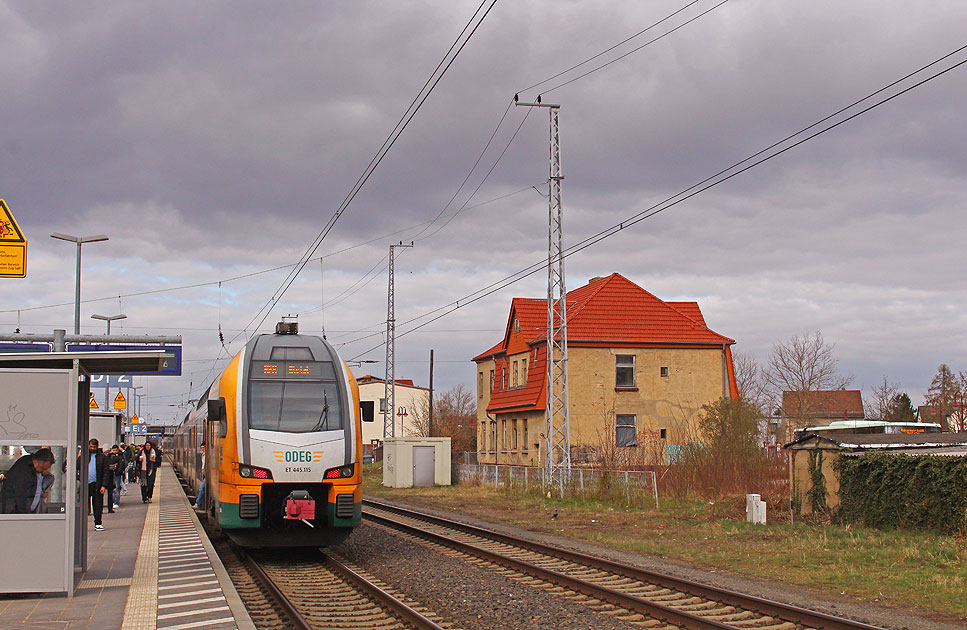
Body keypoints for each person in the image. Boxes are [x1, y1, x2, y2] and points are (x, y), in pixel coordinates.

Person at [0, 448, 55, 514]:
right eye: (42, 468)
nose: (44, 472)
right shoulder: (23, 471)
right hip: (14, 511)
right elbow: (20, 496)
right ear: (36, 463)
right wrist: (24, 516)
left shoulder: (31, 465)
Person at [87, 439, 107, 530]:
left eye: (94, 447)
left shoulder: (102, 457)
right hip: (86, 484)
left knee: (98, 504)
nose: (92, 448)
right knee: (83, 504)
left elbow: (106, 471)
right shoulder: (84, 456)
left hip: (97, 484)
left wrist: (104, 485)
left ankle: (98, 522)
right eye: (90, 446)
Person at [104, 445, 122, 512]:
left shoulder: (120, 456)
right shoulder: (108, 456)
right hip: (109, 475)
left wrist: (118, 471)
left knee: (116, 489)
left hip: (115, 474)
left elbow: (121, 464)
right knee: (111, 491)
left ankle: (115, 503)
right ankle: (111, 505)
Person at [194, 441, 206, 510]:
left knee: (201, 489)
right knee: (202, 489)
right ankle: (197, 504)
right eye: (201, 448)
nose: (202, 449)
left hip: (207, 476)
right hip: (205, 474)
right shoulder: (203, 455)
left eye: (203, 448)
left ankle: (197, 504)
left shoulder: (207, 455)